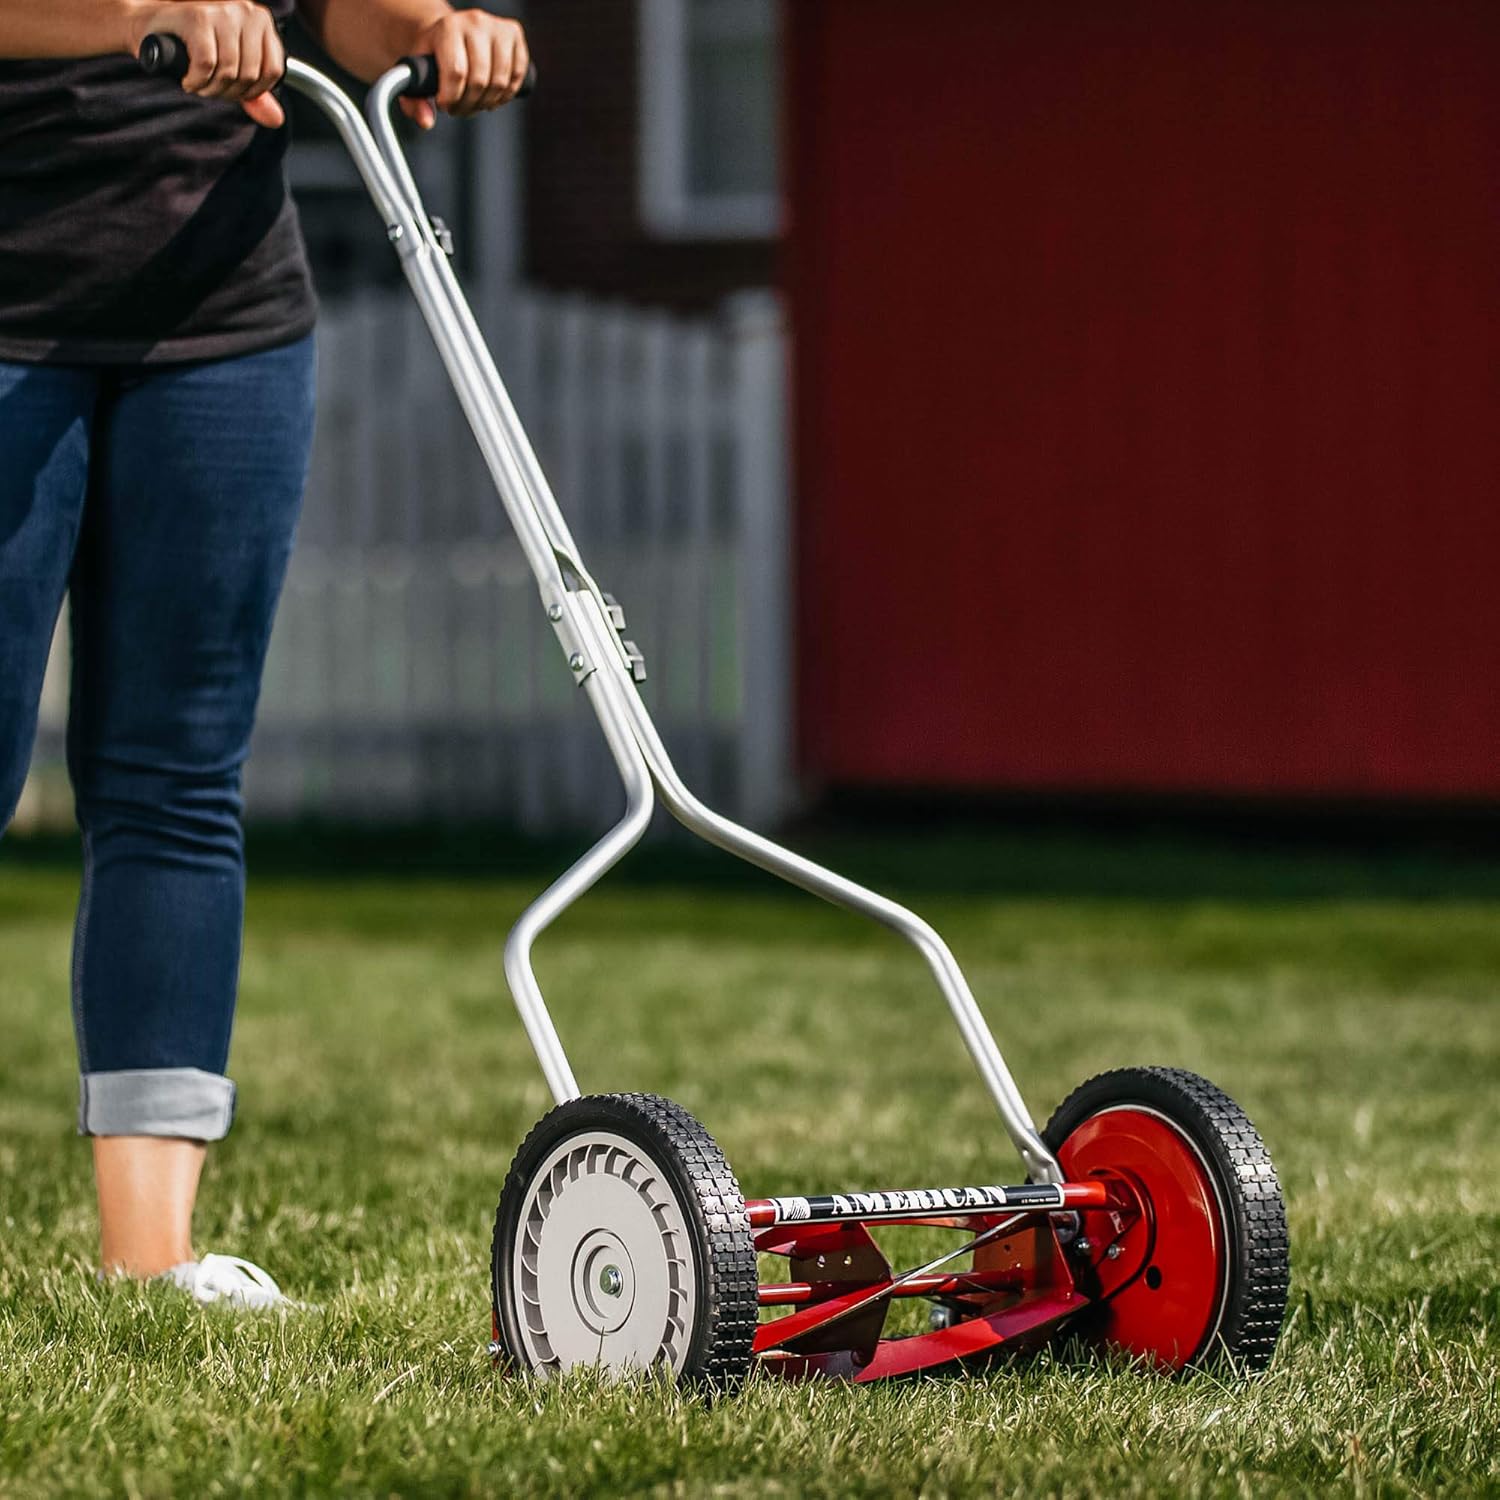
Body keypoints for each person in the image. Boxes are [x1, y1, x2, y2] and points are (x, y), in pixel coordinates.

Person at [0, 0, 528, 1308]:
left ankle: (148, 1263)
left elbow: (341, 11)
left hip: (224, 319)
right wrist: (143, 16)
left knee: (176, 775)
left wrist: (437, 30)